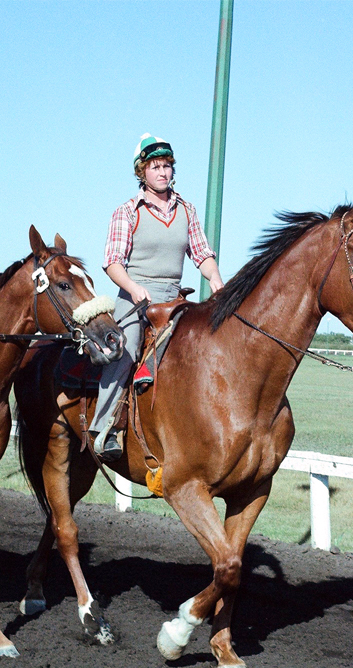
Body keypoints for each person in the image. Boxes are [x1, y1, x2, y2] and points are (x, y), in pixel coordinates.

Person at [92, 134, 224, 460]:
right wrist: (135, 289)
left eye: (166, 166)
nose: (162, 172)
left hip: (174, 299)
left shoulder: (187, 210)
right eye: (155, 167)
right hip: (135, 296)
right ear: (142, 172)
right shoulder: (127, 212)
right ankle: (104, 427)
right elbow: (112, 262)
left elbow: (202, 255)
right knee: (127, 346)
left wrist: (217, 280)